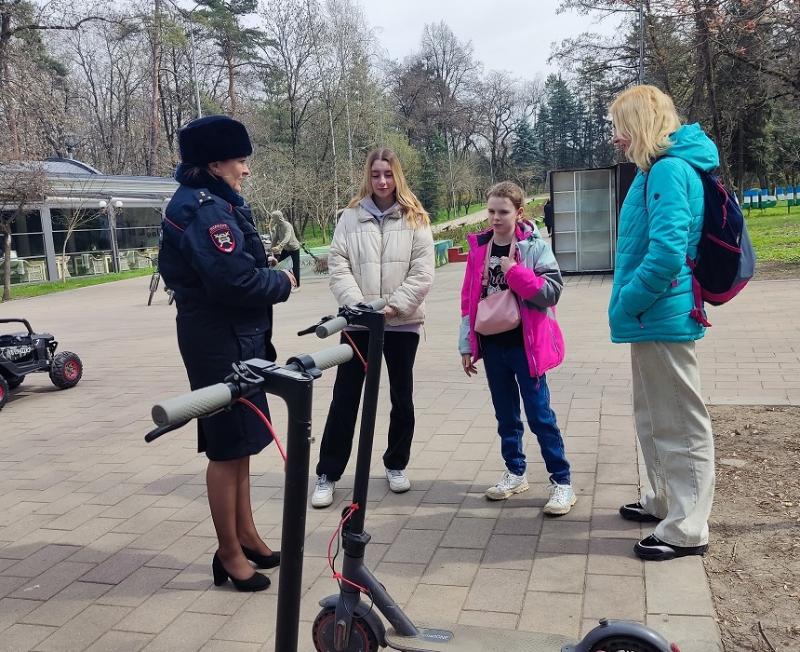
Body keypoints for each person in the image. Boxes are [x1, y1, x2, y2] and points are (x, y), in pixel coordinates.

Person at [159, 115, 296, 591]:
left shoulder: (214, 202)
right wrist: (281, 282)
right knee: (225, 448)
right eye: (241, 161)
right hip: (219, 343)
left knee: (241, 445)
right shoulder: (204, 211)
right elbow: (233, 280)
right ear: (215, 163)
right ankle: (229, 553)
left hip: (236, 339)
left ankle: (247, 535)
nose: (246, 170)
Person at [608, 85, 715, 561]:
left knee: (679, 422)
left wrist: (630, 301)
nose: (617, 137)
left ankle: (687, 527)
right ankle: (665, 502)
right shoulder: (657, 169)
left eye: (621, 126)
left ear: (640, 123)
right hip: (654, 315)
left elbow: (668, 252)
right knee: (653, 415)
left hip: (662, 313)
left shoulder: (669, 170)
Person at [311, 147, 435, 508]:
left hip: (401, 321)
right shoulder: (350, 217)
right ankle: (328, 472)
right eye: (376, 174)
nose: (382, 181)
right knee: (345, 397)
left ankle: (396, 464)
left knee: (402, 396)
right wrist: (360, 307)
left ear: (397, 175)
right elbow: (338, 263)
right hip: (359, 323)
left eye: (388, 174)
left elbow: (422, 271)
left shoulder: (416, 218)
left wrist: (394, 305)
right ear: (368, 175)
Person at [458, 181, 575, 516]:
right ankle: (515, 472)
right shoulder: (480, 248)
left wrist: (517, 274)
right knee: (506, 415)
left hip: (527, 346)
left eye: (503, 212)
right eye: (491, 211)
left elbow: (552, 292)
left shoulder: (534, 247)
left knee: (540, 415)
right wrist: (466, 344)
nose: (495, 218)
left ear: (519, 212)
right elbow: (469, 300)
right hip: (494, 344)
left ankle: (561, 481)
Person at [270, 209, 301, 290]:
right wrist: (271, 248)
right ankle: (282, 283)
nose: (272, 219)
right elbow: (275, 238)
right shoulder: (277, 226)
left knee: (295, 267)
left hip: (294, 248)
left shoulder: (287, 225)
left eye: (273, 218)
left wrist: (279, 247)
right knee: (279, 265)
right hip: (286, 249)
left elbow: (287, 237)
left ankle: (297, 285)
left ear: (278, 218)